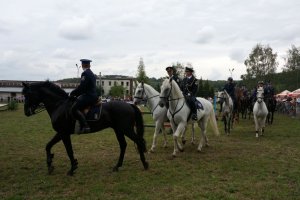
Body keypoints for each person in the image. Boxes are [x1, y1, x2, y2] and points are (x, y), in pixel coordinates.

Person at [70, 59, 98, 133]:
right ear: (89, 65)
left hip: (89, 96)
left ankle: (86, 126)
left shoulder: (85, 73)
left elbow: (82, 87)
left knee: (74, 108)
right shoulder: (92, 73)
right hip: (93, 95)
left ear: (82, 65)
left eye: (82, 65)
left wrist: (73, 93)